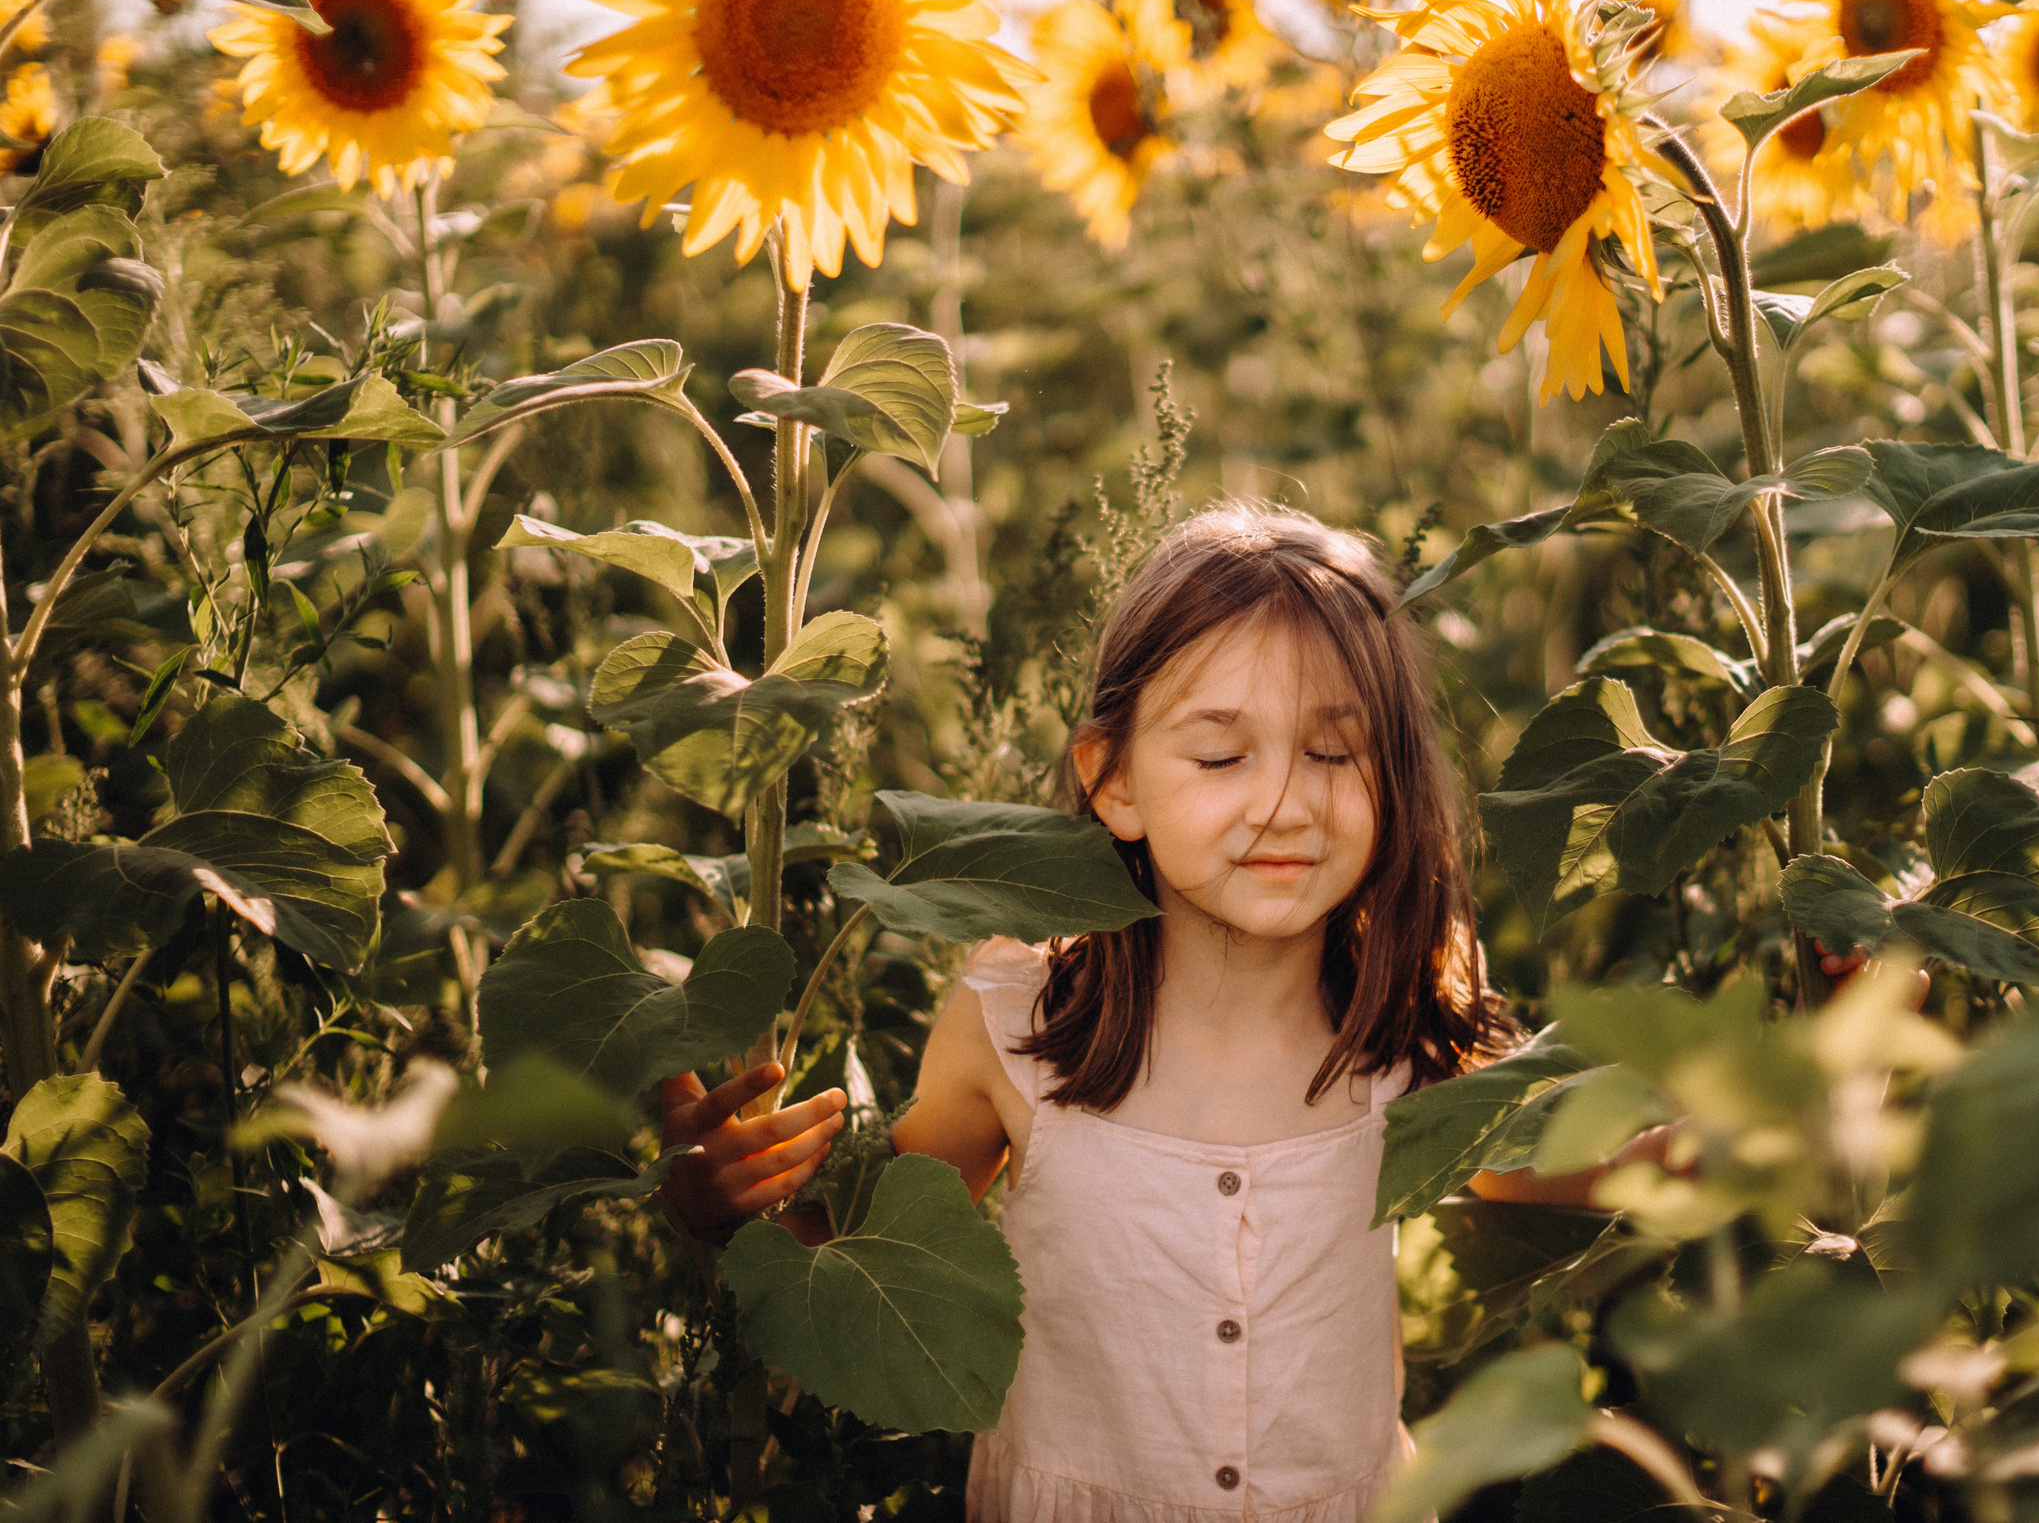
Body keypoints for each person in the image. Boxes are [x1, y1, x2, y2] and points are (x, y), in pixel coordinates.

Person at [656, 503, 1658, 1521]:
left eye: (1333, 752)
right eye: (1221, 757)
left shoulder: (1397, 1026)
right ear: (1114, 781)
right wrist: (715, 1207)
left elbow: (1612, 1164)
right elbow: (864, 1260)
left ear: (1392, 777)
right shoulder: (1017, 1030)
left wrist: (1757, 1097)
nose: (1284, 804)